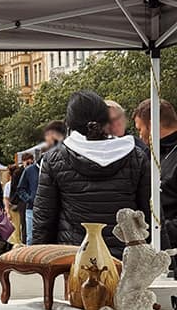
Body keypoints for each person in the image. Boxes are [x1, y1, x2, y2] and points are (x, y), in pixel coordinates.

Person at [34, 90, 150, 258]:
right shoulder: (136, 156)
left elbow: (44, 217)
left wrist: (39, 257)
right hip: (126, 258)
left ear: (70, 123)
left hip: (75, 259)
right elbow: (150, 212)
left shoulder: (54, 159)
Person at [133, 98, 177, 248]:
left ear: (152, 125)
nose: (139, 136)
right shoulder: (151, 154)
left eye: (140, 129)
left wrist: (156, 231)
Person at [16, 152, 41, 245]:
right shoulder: (25, 171)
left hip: (46, 208)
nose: (29, 163)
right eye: (27, 162)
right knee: (29, 236)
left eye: (31, 161)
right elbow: (19, 188)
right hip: (30, 206)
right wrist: (29, 199)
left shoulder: (49, 169)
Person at [3, 164, 23, 245]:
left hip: (12, 210)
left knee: (15, 232)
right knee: (18, 231)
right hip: (18, 209)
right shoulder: (19, 184)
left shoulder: (8, 185)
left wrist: (7, 211)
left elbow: (6, 199)